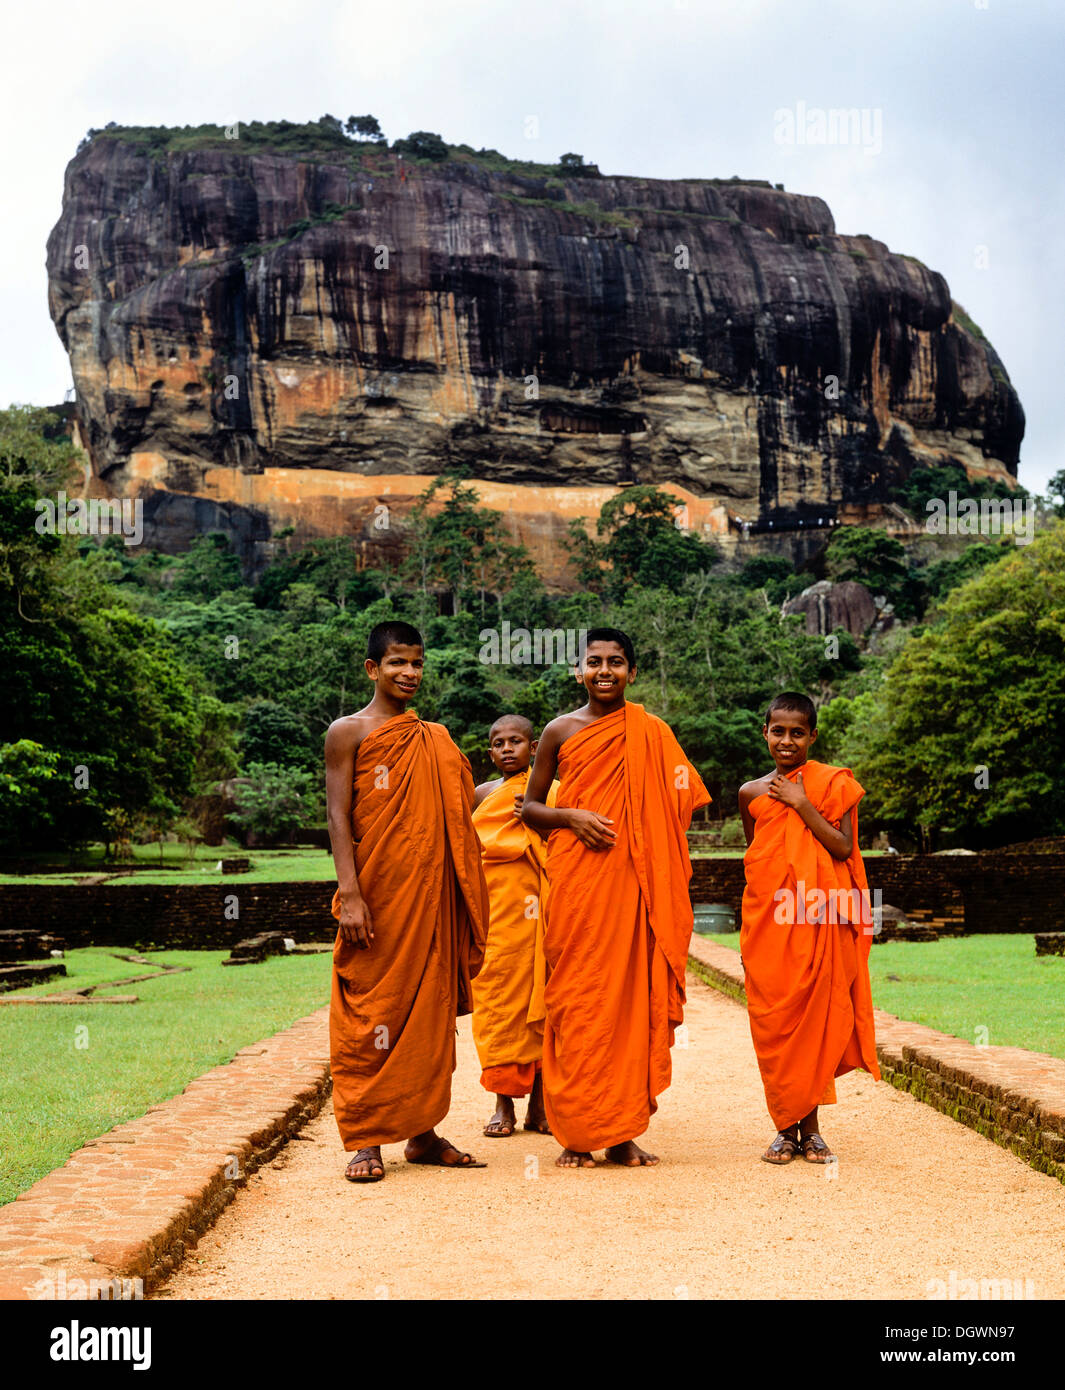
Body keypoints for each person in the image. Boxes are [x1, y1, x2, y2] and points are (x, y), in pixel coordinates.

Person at [521, 628, 710, 1168]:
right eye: (594, 662)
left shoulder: (651, 732)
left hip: (635, 887)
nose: (605, 671)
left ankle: (623, 1132)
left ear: (632, 671)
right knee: (580, 998)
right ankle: (578, 1132)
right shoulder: (560, 731)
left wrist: (648, 838)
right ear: (579, 669)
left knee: (630, 1000)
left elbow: (676, 807)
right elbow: (530, 809)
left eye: (617, 662)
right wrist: (570, 817)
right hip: (580, 884)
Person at [324, 619, 490, 1182]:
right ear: (373, 669)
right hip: (378, 892)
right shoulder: (347, 732)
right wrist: (350, 894)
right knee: (372, 1006)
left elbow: (456, 816)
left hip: (431, 897)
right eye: (397, 663)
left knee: (429, 1012)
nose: (409, 673)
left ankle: (422, 1134)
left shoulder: (434, 738)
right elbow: (339, 815)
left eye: (417, 663)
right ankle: (367, 1139)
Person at [738, 692, 881, 1166]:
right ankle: (783, 1128)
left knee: (814, 1023)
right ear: (765, 733)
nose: (786, 740)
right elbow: (759, 858)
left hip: (818, 919)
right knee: (775, 1023)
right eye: (778, 731)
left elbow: (842, 847)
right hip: (770, 925)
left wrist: (801, 803)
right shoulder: (750, 793)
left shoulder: (831, 785)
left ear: (812, 736)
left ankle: (812, 1130)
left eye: (797, 732)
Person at [471, 715, 558, 1139]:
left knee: (545, 1002)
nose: (507, 749)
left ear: (535, 746)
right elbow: (469, 850)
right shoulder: (483, 795)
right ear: (490, 752)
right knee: (497, 1003)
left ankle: (539, 1106)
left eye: (516, 742)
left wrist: (540, 815)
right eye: (498, 743)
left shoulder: (551, 790)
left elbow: (563, 843)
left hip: (543, 911)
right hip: (497, 915)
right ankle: (502, 1103)